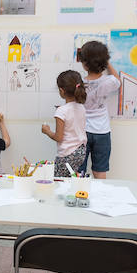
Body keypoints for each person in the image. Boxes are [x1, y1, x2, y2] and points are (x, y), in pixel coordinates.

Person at [76, 41, 119, 179]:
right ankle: (102, 199)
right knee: (100, 171)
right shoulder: (109, 81)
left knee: (78, 171)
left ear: (84, 64)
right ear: (104, 62)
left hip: (82, 132)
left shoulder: (79, 84)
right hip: (102, 132)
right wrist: (107, 63)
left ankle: (78, 196)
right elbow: (118, 79)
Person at [41, 71, 88, 178]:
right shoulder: (81, 107)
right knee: (72, 180)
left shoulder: (61, 111)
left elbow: (59, 137)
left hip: (67, 154)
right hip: (80, 152)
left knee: (59, 181)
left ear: (61, 91)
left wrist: (47, 131)